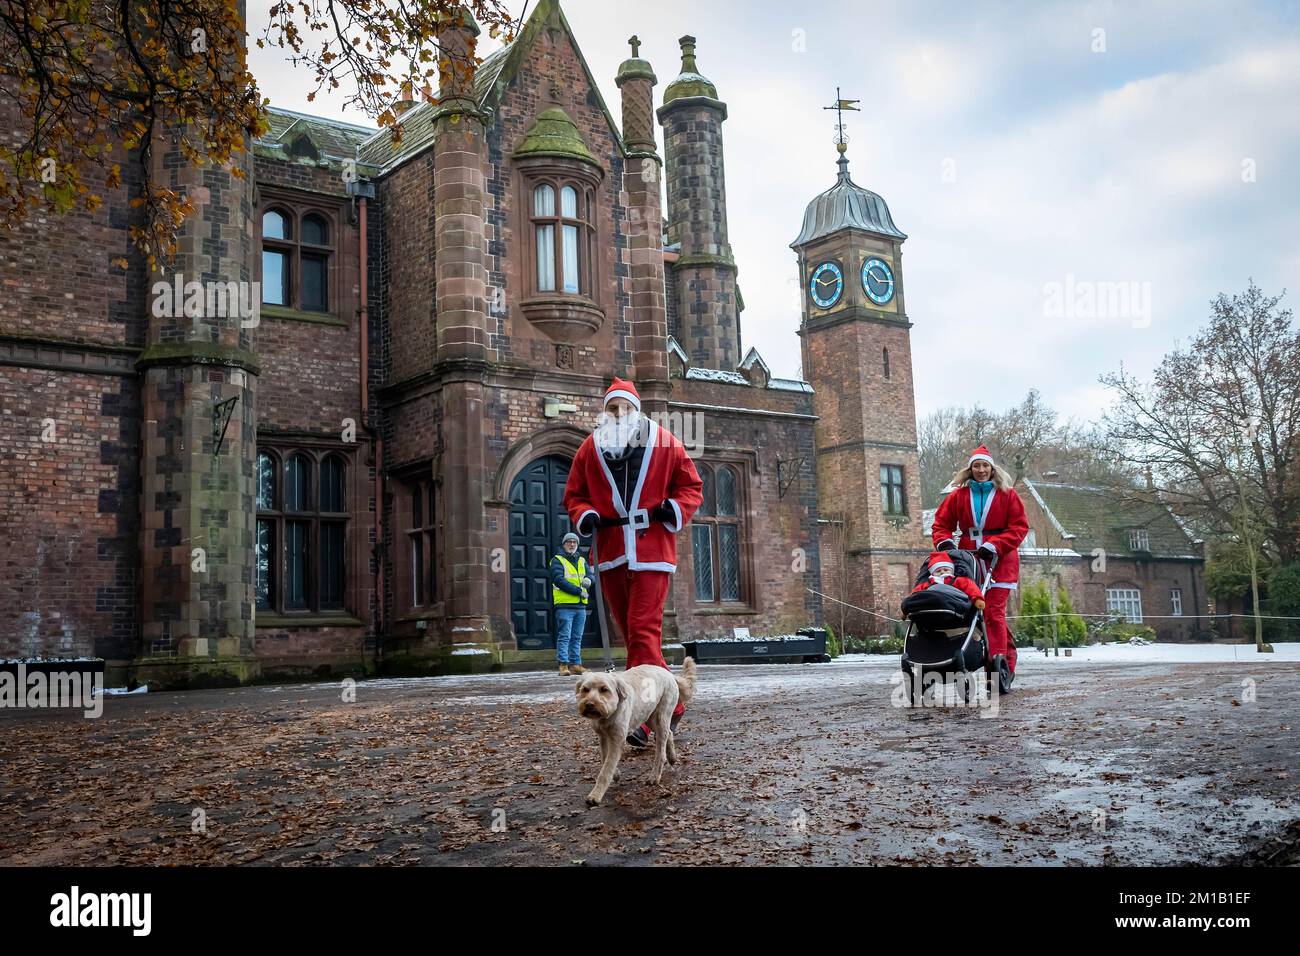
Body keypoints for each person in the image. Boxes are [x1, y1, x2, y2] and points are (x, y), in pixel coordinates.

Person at [563, 378, 703, 747]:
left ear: (636, 410)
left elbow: (690, 486)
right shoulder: (590, 448)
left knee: (642, 629)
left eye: (625, 407)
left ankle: (638, 717)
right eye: (612, 408)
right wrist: (586, 514)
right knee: (635, 636)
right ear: (604, 411)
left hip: (651, 550)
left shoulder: (664, 442)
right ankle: (671, 705)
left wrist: (671, 508)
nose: (618, 414)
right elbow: (573, 495)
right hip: (610, 552)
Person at [931, 444, 1028, 685]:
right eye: (977, 466)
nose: (981, 470)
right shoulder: (958, 496)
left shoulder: (1008, 495)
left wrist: (997, 544)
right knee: (976, 614)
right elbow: (941, 524)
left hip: (1000, 560)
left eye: (985, 465)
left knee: (994, 613)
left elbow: (1019, 527)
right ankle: (1000, 658)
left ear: (992, 469)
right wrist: (944, 542)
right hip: (969, 561)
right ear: (970, 469)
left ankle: (996, 668)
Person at [551, 532, 591, 677]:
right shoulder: (557, 560)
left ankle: (576, 664)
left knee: (577, 636)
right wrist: (578, 591)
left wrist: (589, 580)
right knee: (565, 636)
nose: (572, 544)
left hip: (580, 606)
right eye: (569, 542)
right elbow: (558, 580)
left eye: (574, 542)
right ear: (564, 544)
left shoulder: (581, 560)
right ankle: (563, 664)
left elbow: (590, 574)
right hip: (564, 605)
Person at [911, 551, 986, 608]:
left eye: (946, 570)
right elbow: (916, 592)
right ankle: (908, 606)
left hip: (953, 602)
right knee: (917, 597)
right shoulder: (928, 583)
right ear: (932, 574)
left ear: (952, 571)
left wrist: (977, 599)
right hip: (930, 603)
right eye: (938, 571)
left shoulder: (958, 580)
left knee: (938, 596)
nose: (942, 572)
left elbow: (971, 588)